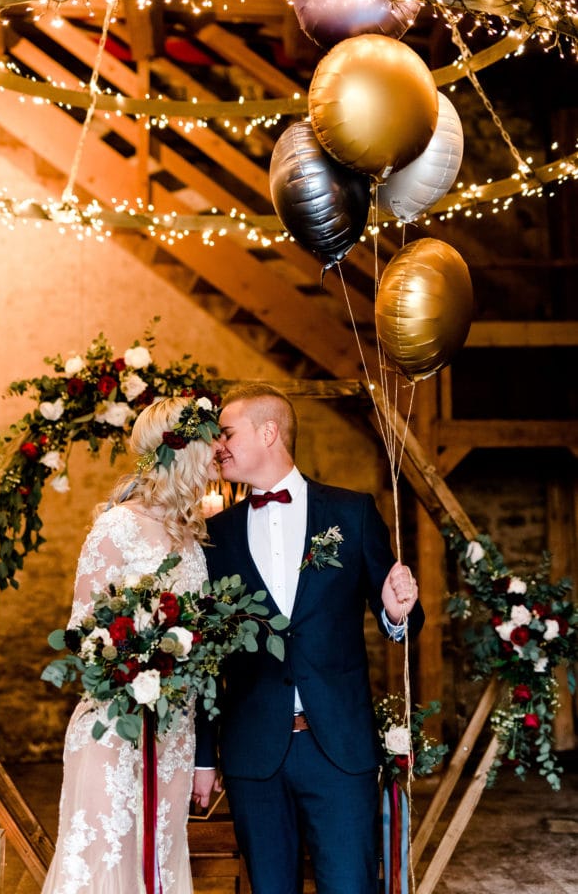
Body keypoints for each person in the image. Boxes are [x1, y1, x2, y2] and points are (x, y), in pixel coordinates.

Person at [193, 383, 424, 894]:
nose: (217, 446)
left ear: (269, 431)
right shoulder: (214, 537)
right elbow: (204, 660)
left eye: (226, 433)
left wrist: (394, 612)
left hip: (338, 749)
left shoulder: (351, 512)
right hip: (254, 752)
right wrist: (204, 757)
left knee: (349, 884)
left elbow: (406, 613)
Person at [42, 396, 220, 894]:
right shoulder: (117, 525)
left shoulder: (189, 536)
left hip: (174, 732)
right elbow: (85, 631)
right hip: (116, 728)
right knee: (108, 857)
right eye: (210, 442)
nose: (217, 453)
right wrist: (139, 660)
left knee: (159, 860)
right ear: (180, 451)